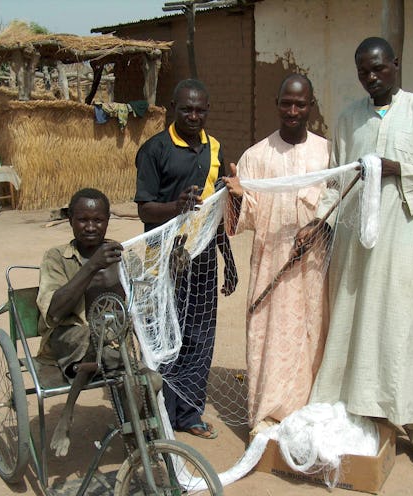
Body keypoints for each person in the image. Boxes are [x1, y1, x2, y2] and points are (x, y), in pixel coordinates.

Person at [308, 37, 413, 474]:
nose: (371, 77)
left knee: (399, 329)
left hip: (403, 244)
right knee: (354, 326)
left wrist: (401, 169)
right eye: (363, 71)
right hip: (355, 245)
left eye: (378, 68)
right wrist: (320, 220)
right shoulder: (348, 118)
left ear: (396, 65)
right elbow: (336, 180)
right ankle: (354, 411)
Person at [223, 74, 331, 435]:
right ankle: (268, 413)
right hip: (271, 263)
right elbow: (244, 220)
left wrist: (320, 226)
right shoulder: (256, 156)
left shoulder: (328, 154)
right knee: (271, 332)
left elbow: (340, 204)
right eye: (286, 102)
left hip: (316, 267)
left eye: (300, 104)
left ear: (311, 107)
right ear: (277, 104)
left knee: (314, 331)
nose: (293, 110)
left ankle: (310, 411)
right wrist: (237, 195)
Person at [134, 78, 238, 439]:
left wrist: (229, 260)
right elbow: (145, 208)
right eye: (186, 108)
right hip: (164, 258)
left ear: (208, 110)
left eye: (200, 109)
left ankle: (190, 414)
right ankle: (161, 413)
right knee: (166, 335)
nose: (193, 115)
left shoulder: (216, 149)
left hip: (204, 258)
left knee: (200, 336)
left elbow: (217, 210)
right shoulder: (155, 149)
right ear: (173, 108)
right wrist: (175, 208)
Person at [36, 188, 124, 457]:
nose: (90, 227)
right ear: (71, 220)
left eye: (97, 220)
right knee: (92, 340)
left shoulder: (120, 255)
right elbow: (54, 313)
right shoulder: (56, 258)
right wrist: (90, 267)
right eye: (82, 220)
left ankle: (140, 439)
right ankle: (68, 413)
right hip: (70, 338)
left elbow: (139, 301)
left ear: (107, 220)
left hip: (111, 340)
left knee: (149, 379)